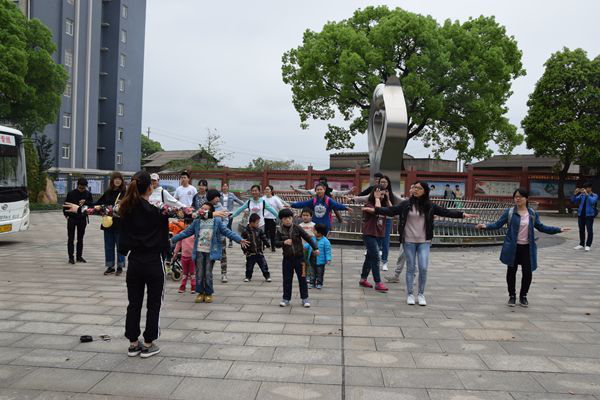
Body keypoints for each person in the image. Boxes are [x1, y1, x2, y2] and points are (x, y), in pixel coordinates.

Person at [64, 176, 226, 358]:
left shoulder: (125, 207)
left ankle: (133, 344)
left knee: (134, 303)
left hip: (134, 261)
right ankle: (148, 343)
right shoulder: (159, 207)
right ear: (150, 188)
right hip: (154, 261)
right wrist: (211, 214)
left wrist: (81, 209)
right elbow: (186, 213)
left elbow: (103, 209)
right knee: (154, 304)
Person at [368, 181, 478, 306]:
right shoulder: (406, 204)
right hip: (408, 241)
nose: (416, 190)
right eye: (415, 188)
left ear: (425, 191)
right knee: (410, 268)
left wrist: (462, 214)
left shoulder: (429, 205)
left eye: (419, 188)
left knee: (423, 268)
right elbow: (391, 211)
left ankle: (421, 294)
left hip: (424, 241)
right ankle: (410, 294)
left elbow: (445, 212)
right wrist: (376, 209)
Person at [477, 188, 570, 307]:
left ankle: (523, 296)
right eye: (516, 197)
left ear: (526, 198)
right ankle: (512, 296)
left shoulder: (532, 213)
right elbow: (497, 224)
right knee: (511, 272)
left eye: (520, 197)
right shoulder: (510, 212)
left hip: (527, 248)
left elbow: (541, 227)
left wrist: (558, 229)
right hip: (513, 247)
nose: (518, 199)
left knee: (527, 273)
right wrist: (485, 226)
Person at [171, 202, 249, 304]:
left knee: (208, 273)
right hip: (199, 251)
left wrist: (239, 239)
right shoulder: (197, 221)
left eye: (206, 209)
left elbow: (227, 232)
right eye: (202, 208)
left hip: (210, 252)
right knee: (199, 273)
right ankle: (200, 293)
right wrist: (173, 240)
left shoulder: (216, 221)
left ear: (211, 211)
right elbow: (186, 232)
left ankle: (208, 293)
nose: (203, 210)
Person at [351, 175, 400, 272]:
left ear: (388, 183)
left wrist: (387, 198)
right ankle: (372, 253)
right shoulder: (375, 193)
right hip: (374, 220)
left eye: (385, 182)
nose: (383, 184)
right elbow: (365, 198)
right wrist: (353, 199)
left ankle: (384, 261)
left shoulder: (390, 194)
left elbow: (392, 208)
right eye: (381, 182)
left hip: (386, 220)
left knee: (385, 241)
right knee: (373, 238)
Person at [275, 208, 319, 308]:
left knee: (302, 279)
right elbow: (275, 243)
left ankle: (305, 298)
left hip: (300, 259)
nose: (287, 220)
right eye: (285, 218)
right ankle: (286, 299)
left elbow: (308, 238)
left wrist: (315, 248)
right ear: (281, 220)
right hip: (287, 259)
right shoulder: (279, 230)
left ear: (292, 218)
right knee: (287, 280)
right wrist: (283, 242)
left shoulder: (297, 228)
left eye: (289, 218)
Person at [359, 186, 391, 292]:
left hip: (380, 235)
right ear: (374, 194)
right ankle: (378, 283)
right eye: (379, 194)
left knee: (369, 257)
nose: (381, 196)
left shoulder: (384, 204)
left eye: (382, 194)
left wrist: (387, 197)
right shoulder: (369, 204)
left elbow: (391, 210)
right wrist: (376, 199)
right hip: (369, 234)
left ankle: (363, 279)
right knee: (376, 258)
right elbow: (377, 210)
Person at [95, 172, 127, 276]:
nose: (117, 181)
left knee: (120, 246)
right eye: (115, 179)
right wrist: (86, 202)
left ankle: (120, 266)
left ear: (122, 181)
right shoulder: (108, 192)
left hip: (120, 223)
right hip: (108, 222)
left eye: (119, 179)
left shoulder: (124, 193)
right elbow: (98, 203)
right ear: (112, 180)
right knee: (108, 246)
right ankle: (110, 266)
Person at [385, 184, 414, 284]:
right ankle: (396, 276)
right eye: (411, 188)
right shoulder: (405, 203)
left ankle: (413, 277)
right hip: (406, 235)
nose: (412, 190)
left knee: (413, 258)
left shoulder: (424, 205)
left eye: (415, 188)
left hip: (418, 237)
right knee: (402, 256)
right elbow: (393, 209)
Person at [64, 177, 93, 264]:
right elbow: (65, 205)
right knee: (71, 238)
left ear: (86, 186)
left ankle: (79, 256)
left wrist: (86, 202)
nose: (81, 189)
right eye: (80, 187)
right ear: (77, 185)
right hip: (72, 218)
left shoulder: (88, 194)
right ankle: (71, 257)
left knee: (80, 238)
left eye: (83, 188)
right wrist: (67, 215)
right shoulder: (71, 193)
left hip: (82, 219)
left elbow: (91, 206)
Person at [207, 189, 231, 283]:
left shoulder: (221, 208)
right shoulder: (206, 207)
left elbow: (226, 220)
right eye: (215, 197)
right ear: (211, 198)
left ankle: (224, 273)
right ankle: (209, 273)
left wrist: (220, 227)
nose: (217, 199)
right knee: (210, 255)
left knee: (223, 255)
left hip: (220, 236)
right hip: (209, 237)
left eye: (218, 197)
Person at [241, 213, 271, 282]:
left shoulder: (259, 230)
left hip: (259, 252)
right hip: (250, 253)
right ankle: (248, 277)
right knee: (249, 266)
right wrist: (245, 251)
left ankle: (267, 276)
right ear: (251, 223)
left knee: (263, 265)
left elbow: (264, 238)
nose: (258, 224)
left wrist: (268, 245)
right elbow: (243, 243)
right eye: (257, 223)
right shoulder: (245, 231)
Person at [262, 185, 290, 251]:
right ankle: (263, 246)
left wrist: (284, 215)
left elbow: (281, 207)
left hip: (272, 218)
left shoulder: (275, 199)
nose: (266, 191)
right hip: (264, 218)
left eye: (268, 189)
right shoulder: (262, 199)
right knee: (263, 234)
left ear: (271, 191)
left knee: (272, 234)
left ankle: (273, 247)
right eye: (265, 189)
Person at [571, 182, 597, 251]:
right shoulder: (582, 195)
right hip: (581, 215)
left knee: (589, 231)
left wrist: (587, 194)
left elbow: (592, 202)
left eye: (586, 188)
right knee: (581, 230)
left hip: (589, 216)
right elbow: (574, 200)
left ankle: (588, 245)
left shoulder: (594, 195)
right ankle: (581, 244)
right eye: (585, 188)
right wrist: (575, 193)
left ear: (590, 188)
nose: (585, 189)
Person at [172, 218, 195, 294]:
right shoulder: (182, 233)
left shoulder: (195, 234)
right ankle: (183, 286)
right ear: (184, 225)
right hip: (184, 257)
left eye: (190, 224)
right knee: (185, 273)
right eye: (186, 223)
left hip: (192, 257)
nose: (188, 225)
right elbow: (178, 244)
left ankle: (193, 286)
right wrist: (175, 253)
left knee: (192, 273)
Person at [220, 182, 245, 247]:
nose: (225, 187)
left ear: (228, 187)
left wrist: (246, 205)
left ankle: (230, 241)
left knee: (228, 227)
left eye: (226, 186)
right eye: (223, 186)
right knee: (221, 226)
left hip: (229, 213)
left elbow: (238, 201)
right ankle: (223, 241)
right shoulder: (219, 195)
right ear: (222, 188)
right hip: (221, 213)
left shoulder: (231, 195)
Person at [299, 208, 317, 285]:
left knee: (310, 262)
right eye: (303, 215)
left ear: (311, 216)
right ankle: (303, 275)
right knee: (303, 261)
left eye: (307, 215)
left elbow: (315, 236)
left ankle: (309, 276)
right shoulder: (300, 226)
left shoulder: (313, 225)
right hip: (302, 246)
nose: (305, 217)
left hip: (310, 247)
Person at [311, 224, 331, 289]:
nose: (313, 231)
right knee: (312, 272)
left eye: (314, 230)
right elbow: (308, 245)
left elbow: (328, 251)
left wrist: (328, 259)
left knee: (320, 273)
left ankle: (319, 283)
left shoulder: (325, 241)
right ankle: (312, 283)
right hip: (312, 259)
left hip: (321, 261)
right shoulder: (312, 238)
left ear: (319, 232)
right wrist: (304, 247)